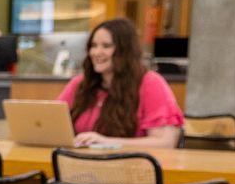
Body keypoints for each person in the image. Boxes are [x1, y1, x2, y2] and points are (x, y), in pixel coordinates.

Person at [58, 18, 183, 149]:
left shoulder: (150, 83)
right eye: (93, 46)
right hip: (80, 165)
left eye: (106, 46)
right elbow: (52, 122)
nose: (96, 52)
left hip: (131, 166)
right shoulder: (80, 83)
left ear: (125, 51)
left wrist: (106, 142)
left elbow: (165, 143)